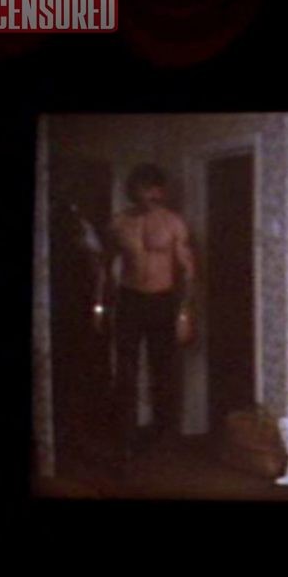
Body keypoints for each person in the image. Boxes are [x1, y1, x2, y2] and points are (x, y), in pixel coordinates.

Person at [100, 164, 196, 458]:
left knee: (163, 372)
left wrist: (184, 314)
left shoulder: (173, 223)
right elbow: (105, 268)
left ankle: (163, 438)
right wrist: (100, 306)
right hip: (129, 300)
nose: (152, 195)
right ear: (134, 190)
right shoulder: (118, 223)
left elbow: (189, 271)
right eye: (145, 189)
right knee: (125, 373)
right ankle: (123, 440)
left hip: (163, 301)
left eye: (156, 189)